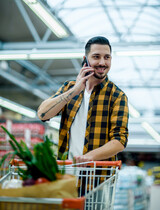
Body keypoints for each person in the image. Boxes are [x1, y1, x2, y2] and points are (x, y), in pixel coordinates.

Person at [37, 36, 129, 164]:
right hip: (67, 172)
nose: (102, 62)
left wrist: (90, 156)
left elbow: (120, 140)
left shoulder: (117, 96)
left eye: (107, 57)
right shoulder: (69, 88)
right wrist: (74, 91)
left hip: (97, 176)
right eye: (96, 57)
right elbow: (43, 114)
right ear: (85, 60)